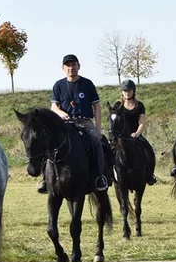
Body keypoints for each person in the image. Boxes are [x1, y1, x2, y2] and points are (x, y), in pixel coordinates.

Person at [37, 54, 108, 193]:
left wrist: (98, 128)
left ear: (78, 66)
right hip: (65, 123)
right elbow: (54, 107)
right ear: (63, 68)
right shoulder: (58, 85)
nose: (71, 68)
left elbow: (97, 106)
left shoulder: (87, 84)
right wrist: (61, 113)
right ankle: (45, 179)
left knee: (96, 141)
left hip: (84, 121)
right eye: (68, 65)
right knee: (48, 143)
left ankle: (100, 177)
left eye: (73, 65)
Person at [110, 79, 158, 185]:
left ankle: (150, 175)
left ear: (133, 91)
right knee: (110, 152)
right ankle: (109, 176)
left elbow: (142, 122)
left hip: (135, 135)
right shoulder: (118, 105)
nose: (127, 93)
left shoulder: (139, 105)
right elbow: (113, 120)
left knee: (149, 151)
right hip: (121, 136)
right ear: (122, 92)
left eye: (129, 90)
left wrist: (137, 133)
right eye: (125, 91)